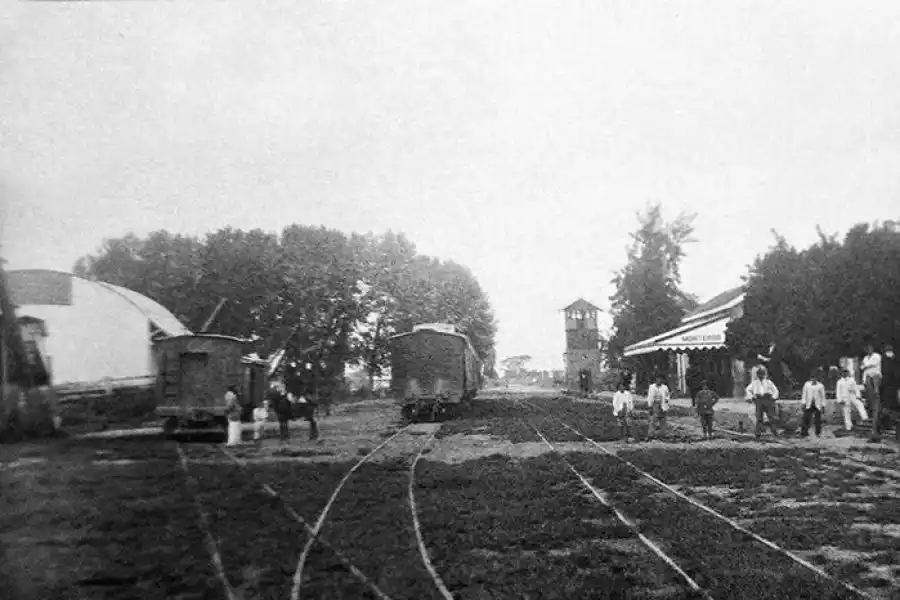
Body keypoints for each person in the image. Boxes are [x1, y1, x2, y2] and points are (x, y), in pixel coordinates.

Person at [745, 366, 780, 439]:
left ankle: (775, 432)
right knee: (759, 417)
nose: (761, 376)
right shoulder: (754, 383)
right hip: (759, 400)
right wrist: (751, 396)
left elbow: (775, 390)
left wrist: (773, 398)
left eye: (762, 374)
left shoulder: (769, 382)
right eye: (759, 374)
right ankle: (758, 434)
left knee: (772, 417)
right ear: (757, 375)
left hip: (768, 399)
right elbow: (748, 389)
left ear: (765, 375)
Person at [876, 343, 900, 442]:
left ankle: (884, 426)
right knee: (887, 409)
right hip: (889, 390)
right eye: (888, 351)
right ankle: (882, 426)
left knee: (889, 410)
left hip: (892, 389)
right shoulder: (885, 363)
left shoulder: (893, 362)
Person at [861, 341, 882, 442]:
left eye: (870, 348)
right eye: (867, 349)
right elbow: (862, 367)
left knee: (876, 399)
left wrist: (866, 366)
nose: (868, 350)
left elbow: (874, 364)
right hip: (868, 378)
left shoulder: (877, 356)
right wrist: (866, 366)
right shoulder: (865, 358)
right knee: (871, 400)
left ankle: (876, 393)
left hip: (875, 376)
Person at [836, 367, 868, 432]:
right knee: (846, 412)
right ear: (842, 373)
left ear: (847, 373)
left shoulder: (851, 380)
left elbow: (856, 388)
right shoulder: (839, 382)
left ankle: (864, 417)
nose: (845, 373)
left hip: (852, 395)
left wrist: (858, 396)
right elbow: (838, 391)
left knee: (859, 404)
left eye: (846, 372)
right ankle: (848, 427)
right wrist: (840, 400)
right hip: (844, 397)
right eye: (843, 372)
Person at [800, 368, 826, 438]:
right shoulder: (807, 385)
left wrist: (823, 405)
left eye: (815, 378)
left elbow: (823, 396)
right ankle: (804, 432)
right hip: (809, 403)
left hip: (817, 404)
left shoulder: (820, 386)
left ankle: (818, 432)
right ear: (810, 378)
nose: (814, 379)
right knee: (806, 418)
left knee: (818, 419)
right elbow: (804, 394)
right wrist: (803, 403)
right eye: (812, 378)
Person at [646, 375, 670, 440]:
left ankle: (663, 434)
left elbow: (667, 395)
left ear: (662, 380)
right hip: (655, 404)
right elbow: (649, 397)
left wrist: (666, 401)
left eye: (660, 379)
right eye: (657, 379)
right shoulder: (651, 387)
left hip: (662, 404)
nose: (659, 381)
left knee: (663, 420)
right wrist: (650, 406)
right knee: (653, 420)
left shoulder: (665, 387)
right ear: (655, 380)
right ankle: (650, 435)